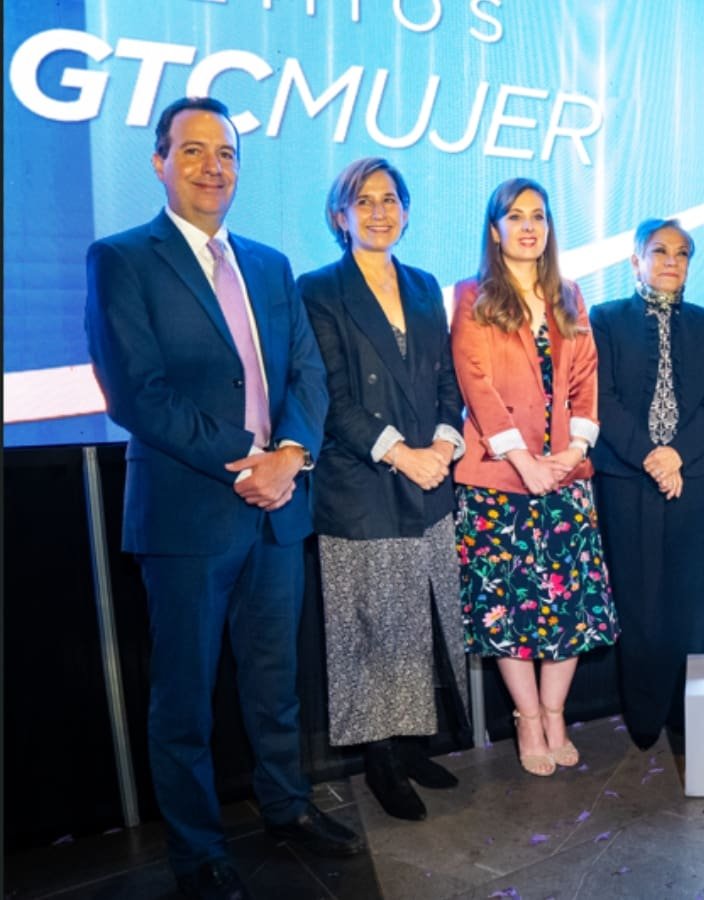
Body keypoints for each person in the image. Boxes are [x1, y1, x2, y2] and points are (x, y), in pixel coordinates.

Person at [84, 96, 358, 900]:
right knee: (185, 697)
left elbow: (307, 372)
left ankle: (287, 807)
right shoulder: (123, 258)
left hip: (279, 511)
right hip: (190, 515)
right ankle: (198, 849)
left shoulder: (271, 265)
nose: (214, 167)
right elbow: (136, 392)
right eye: (194, 150)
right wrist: (253, 460)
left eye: (228, 153)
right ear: (160, 161)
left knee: (275, 683)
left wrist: (294, 454)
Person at [299, 158, 467, 821]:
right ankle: (380, 765)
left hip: (429, 483)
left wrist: (446, 448)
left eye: (390, 199)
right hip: (362, 484)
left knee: (416, 625)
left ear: (406, 209)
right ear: (340, 216)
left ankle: (409, 745)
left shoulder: (425, 285)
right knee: (367, 631)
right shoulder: (318, 290)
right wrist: (402, 453)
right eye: (362, 202)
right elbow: (330, 398)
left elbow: (448, 383)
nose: (378, 211)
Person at [451, 177, 617, 777]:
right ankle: (525, 719)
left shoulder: (569, 295)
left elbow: (586, 384)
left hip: (567, 476)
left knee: (567, 604)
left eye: (539, 217)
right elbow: (478, 385)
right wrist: (524, 461)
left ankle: (555, 712)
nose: (529, 227)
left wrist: (571, 455)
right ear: (495, 230)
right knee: (510, 609)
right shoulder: (474, 296)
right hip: (499, 480)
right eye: (516, 216)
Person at [591, 218, 704, 749]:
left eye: (682, 253)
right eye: (659, 251)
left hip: (692, 475)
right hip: (628, 476)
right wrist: (652, 457)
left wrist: (675, 455)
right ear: (635, 260)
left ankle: (680, 708)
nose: (672, 261)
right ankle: (643, 713)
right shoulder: (604, 319)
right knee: (637, 598)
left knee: (683, 598)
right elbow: (603, 399)